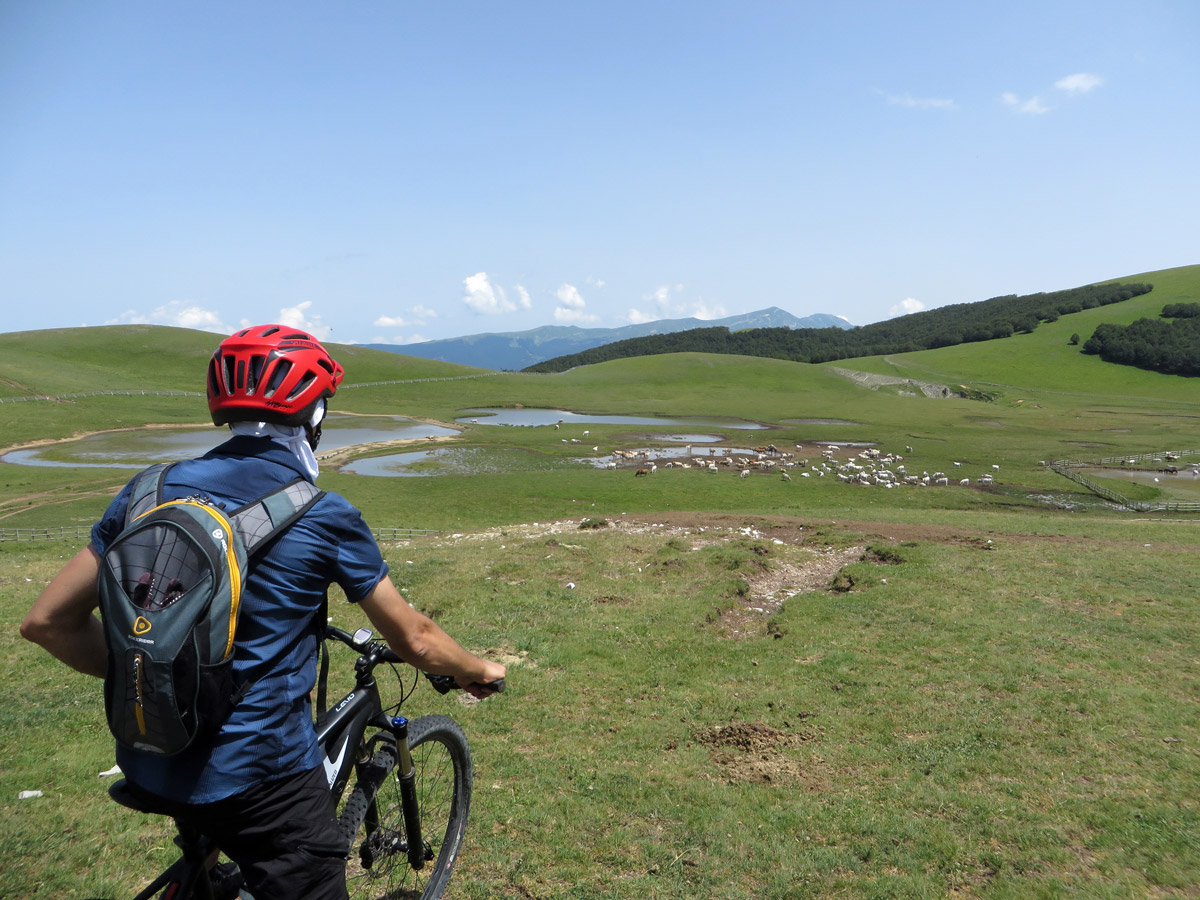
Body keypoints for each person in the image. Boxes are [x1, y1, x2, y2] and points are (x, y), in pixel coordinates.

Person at [21, 324, 506, 900]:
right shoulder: (323, 513)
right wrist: (479, 670)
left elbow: (45, 622)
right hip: (260, 779)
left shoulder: (148, 489)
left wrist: (156, 676)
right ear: (315, 416)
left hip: (148, 755)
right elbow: (418, 641)